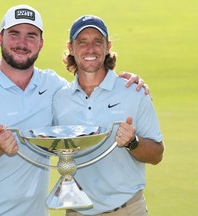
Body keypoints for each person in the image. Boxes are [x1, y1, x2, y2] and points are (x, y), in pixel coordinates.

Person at [0, 4, 150, 216]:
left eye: (31, 36)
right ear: (0, 39)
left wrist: (126, 82)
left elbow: (87, 90)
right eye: (14, 34)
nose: (22, 43)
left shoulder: (53, 86)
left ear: (41, 43)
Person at [52, 15, 165, 216]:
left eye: (97, 42)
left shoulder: (133, 92)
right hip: (77, 211)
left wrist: (133, 142)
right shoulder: (59, 99)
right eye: (82, 42)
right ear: (71, 48)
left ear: (107, 47)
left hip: (128, 210)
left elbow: (157, 154)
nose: (90, 49)